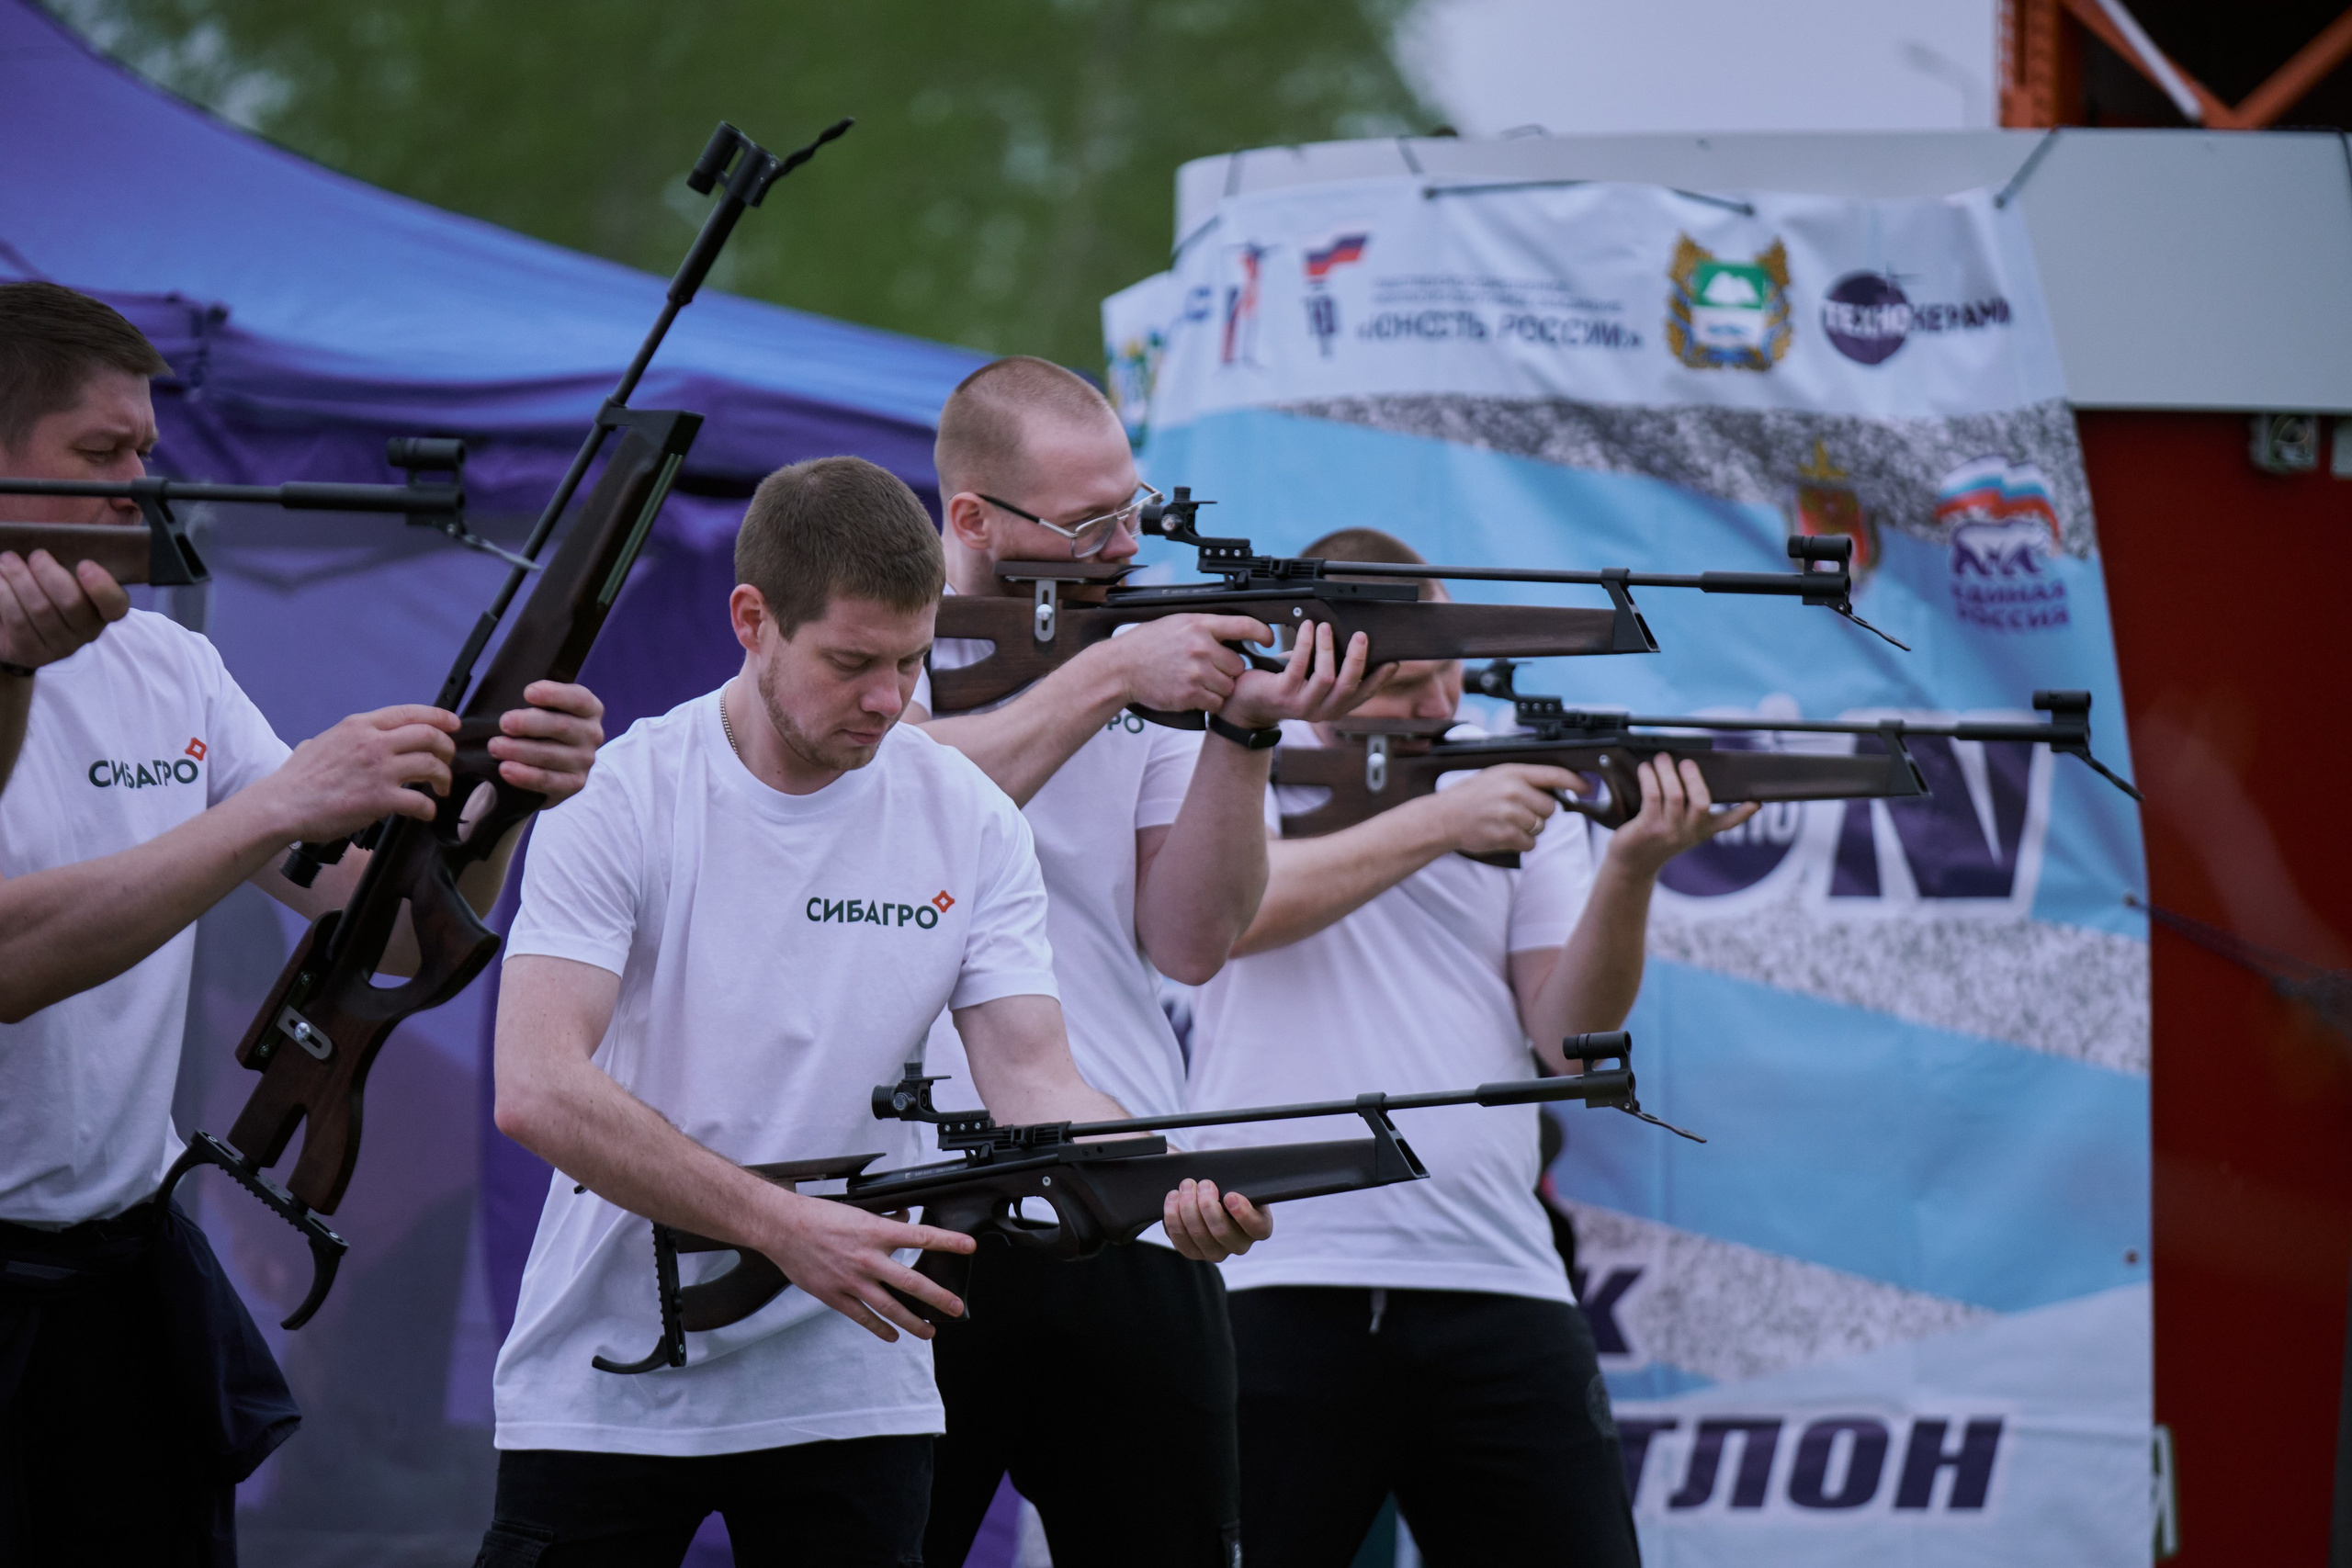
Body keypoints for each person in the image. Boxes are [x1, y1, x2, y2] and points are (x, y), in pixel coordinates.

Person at [478, 455, 1269, 1567]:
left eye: (911, 661)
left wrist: (1160, 1178)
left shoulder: (969, 816)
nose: (889, 702)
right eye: (853, 662)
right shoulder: (623, 795)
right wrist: (784, 1227)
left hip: (858, 1383)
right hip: (608, 1375)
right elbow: (539, 1089)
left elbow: (1034, 1080)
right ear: (751, 620)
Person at [0, 280, 608, 1563]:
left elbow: (387, 934)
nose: (138, 490)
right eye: (98, 455)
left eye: (145, 455)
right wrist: (270, 805)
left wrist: (498, 804)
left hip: (122, 1273)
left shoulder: (167, 660)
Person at [1182, 527, 1758, 1566]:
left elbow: (1569, 1046)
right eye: (1409, 683)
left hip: (1496, 1272)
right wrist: (1443, 824)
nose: (1444, 708)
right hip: (1276, 1274)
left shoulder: (1497, 774)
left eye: (1453, 673)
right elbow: (1228, 918)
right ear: (1325, 662)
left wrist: (1630, 869)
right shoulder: (1234, 761)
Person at [907, 356, 1383, 1567]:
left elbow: (1193, 938)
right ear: (970, 517)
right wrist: (1112, 672)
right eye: (1092, 522)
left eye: (1134, 507)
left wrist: (1243, 727)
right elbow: (901, 818)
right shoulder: (874, 641)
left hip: (1118, 1188)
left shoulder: (1150, 648)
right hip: (900, 1201)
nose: (1128, 544)